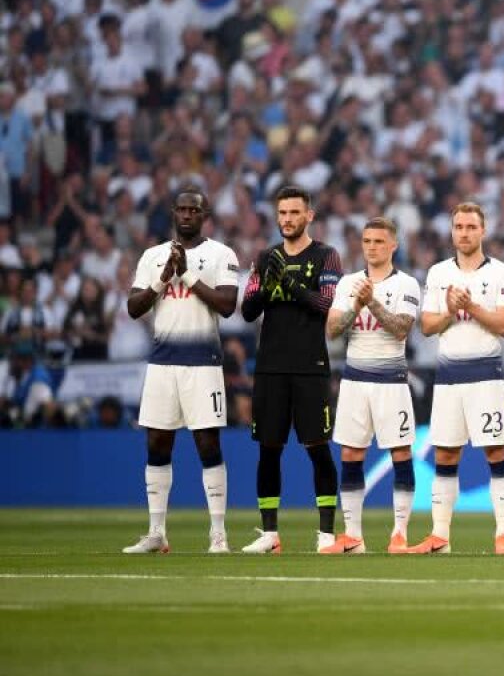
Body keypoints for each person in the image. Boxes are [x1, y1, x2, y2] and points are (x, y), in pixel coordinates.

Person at [122, 189, 239, 554]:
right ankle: (157, 532)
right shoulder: (153, 256)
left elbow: (228, 305)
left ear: (204, 215)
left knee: (208, 444)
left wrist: (186, 277)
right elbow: (133, 307)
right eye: (182, 209)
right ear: (173, 213)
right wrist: (163, 279)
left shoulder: (221, 254)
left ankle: (218, 533)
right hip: (162, 363)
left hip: (203, 364)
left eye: (194, 210)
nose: (187, 215)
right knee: (157, 443)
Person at [404, 203, 504, 555]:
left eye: (471, 226)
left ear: (483, 231)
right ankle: (440, 536)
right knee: (446, 454)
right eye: (459, 227)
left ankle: (503, 535)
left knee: (496, 451)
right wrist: (451, 311)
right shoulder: (438, 274)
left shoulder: (502, 273)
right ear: (452, 232)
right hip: (449, 376)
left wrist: (472, 307)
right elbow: (426, 327)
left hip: (485, 375)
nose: (464, 233)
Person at [240, 185, 343, 554]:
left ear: (309, 216)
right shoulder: (265, 256)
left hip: (311, 366)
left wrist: (288, 282)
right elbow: (248, 310)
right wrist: (266, 284)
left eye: (294, 213)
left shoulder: (327, 256)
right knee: (269, 450)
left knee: (318, 449)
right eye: (282, 213)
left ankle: (327, 534)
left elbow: (326, 303)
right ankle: (270, 534)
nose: (287, 220)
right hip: (270, 367)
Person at [322, 217, 421, 554]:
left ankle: (399, 534)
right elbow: (333, 331)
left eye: (379, 241)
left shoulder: (406, 284)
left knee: (400, 453)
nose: (372, 247)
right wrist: (356, 304)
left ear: (393, 245)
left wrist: (373, 303)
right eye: (367, 241)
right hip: (354, 381)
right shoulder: (348, 283)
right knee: (351, 453)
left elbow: (400, 330)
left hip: (392, 383)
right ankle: (353, 537)